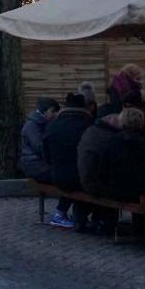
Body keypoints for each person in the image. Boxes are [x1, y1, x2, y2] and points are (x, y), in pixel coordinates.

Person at [19, 97, 74, 228]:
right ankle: (60, 214)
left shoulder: (40, 124)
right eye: (54, 112)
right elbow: (41, 148)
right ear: (46, 111)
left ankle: (65, 214)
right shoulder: (32, 126)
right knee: (68, 179)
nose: (55, 115)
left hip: (40, 165)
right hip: (36, 167)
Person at [43, 92, 94, 230]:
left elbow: (46, 155)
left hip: (57, 175)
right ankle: (83, 216)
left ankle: (65, 214)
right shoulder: (89, 126)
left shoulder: (52, 126)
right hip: (81, 178)